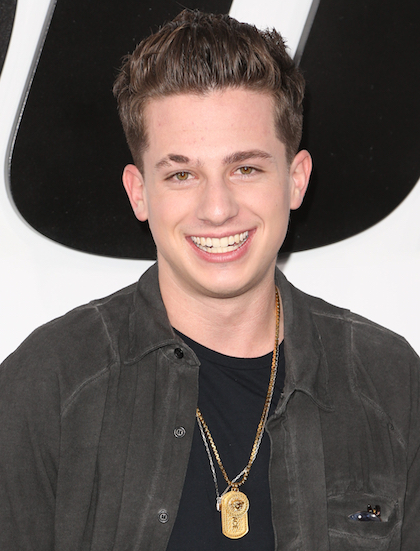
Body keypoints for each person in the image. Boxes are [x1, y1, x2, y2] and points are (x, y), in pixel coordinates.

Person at [0, 9, 419, 550]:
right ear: (138, 192)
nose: (217, 209)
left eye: (245, 168)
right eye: (181, 174)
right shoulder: (45, 387)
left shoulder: (391, 385)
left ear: (296, 181)